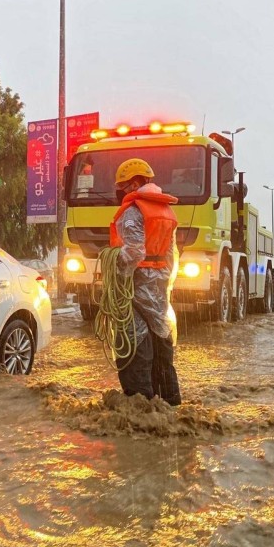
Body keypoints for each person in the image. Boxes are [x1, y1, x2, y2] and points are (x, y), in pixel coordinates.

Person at [110, 158, 182, 405]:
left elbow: (134, 252)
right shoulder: (166, 211)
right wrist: (163, 283)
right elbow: (172, 254)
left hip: (135, 285)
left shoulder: (133, 212)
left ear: (135, 183)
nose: (121, 191)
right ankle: (169, 399)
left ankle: (139, 406)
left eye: (123, 186)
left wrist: (117, 273)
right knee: (160, 340)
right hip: (158, 286)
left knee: (134, 344)